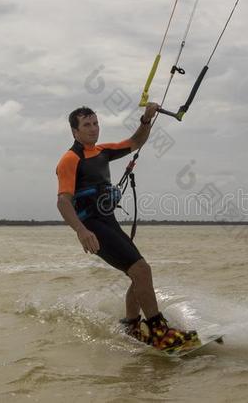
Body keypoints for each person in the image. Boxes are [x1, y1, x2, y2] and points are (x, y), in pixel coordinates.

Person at [55, 104, 197, 350]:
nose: (93, 129)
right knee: (142, 270)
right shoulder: (70, 159)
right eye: (86, 125)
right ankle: (158, 331)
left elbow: (135, 142)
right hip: (93, 228)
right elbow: (63, 201)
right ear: (74, 132)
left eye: (95, 123)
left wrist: (146, 119)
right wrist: (81, 230)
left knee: (137, 274)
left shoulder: (102, 151)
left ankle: (132, 326)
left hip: (108, 223)